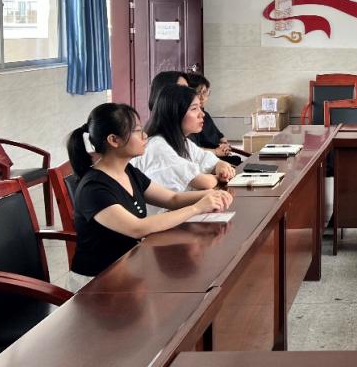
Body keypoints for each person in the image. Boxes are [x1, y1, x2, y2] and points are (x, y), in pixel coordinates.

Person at [65, 102, 233, 291]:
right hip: (96, 284)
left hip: (128, 268)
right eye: (137, 131)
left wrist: (210, 194)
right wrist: (197, 208)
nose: (145, 136)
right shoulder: (94, 188)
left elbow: (172, 199)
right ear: (114, 140)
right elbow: (137, 228)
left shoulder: (129, 171)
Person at [132, 84, 236, 214]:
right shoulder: (158, 146)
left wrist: (221, 165)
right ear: (175, 113)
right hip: (159, 218)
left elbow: (206, 159)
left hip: (177, 213)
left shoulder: (182, 141)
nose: (202, 114)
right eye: (194, 109)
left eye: (200, 107)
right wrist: (217, 177)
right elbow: (203, 182)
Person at [185, 72, 240, 165]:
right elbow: (192, 151)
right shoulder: (187, 119)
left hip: (217, 158)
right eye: (198, 93)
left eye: (204, 92)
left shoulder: (205, 114)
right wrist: (216, 151)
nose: (202, 97)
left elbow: (220, 136)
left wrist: (224, 144)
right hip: (205, 162)